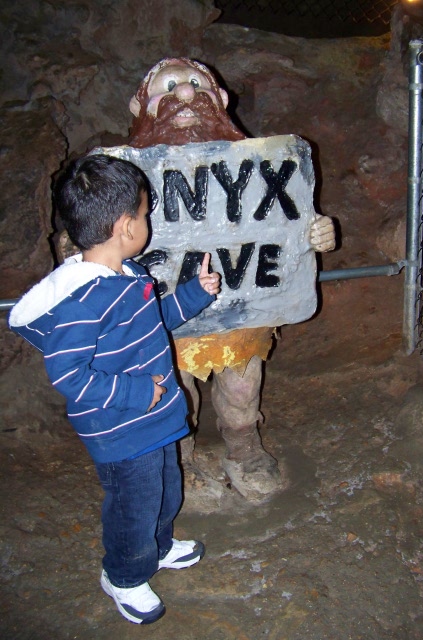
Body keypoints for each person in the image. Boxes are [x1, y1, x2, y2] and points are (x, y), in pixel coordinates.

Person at [8, 154, 221, 625]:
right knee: (133, 507)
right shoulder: (82, 303)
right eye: (145, 214)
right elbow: (69, 375)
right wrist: (135, 393)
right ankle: (124, 575)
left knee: (165, 489)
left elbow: (154, 325)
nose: (148, 222)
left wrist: (194, 294)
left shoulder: (131, 275)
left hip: (155, 417)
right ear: (126, 226)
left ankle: (158, 546)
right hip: (121, 428)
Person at [127, 58, 336, 502]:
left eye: (195, 84)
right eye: (169, 86)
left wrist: (315, 232)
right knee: (176, 390)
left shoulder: (257, 165)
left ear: (220, 99)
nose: (185, 94)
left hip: (240, 310)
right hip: (165, 317)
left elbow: (283, 218)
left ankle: (244, 447)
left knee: (242, 385)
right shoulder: (123, 175)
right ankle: (179, 456)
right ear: (140, 106)